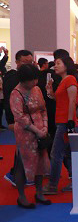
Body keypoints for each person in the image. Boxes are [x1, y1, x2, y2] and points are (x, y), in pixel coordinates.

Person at [10, 64, 51, 208]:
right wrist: (37, 130)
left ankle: (39, 193)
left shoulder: (37, 89)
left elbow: (43, 109)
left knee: (41, 162)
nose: (35, 82)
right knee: (23, 163)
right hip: (25, 133)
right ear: (23, 80)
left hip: (40, 129)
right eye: (32, 80)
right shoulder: (16, 93)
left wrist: (45, 126)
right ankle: (22, 197)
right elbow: (19, 117)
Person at [43, 55, 78, 194]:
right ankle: (75, 181)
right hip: (63, 121)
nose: (55, 66)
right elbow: (61, 100)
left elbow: (72, 101)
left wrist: (69, 122)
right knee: (67, 153)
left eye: (58, 63)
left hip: (65, 122)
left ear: (66, 65)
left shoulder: (70, 79)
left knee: (56, 153)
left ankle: (52, 185)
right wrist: (50, 91)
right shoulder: (64, 80)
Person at [4, 50, 35, 186]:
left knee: (24, 146)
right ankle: (15, 175)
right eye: (24, 62)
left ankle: (19, 175)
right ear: (17, 62)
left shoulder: (27, 77)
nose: (28, 65)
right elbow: (10, 102)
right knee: (23, 146)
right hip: (17, 118)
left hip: (25, 118)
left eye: (30, 62)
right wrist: (12, 121)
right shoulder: (13, 78)